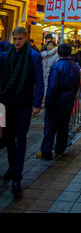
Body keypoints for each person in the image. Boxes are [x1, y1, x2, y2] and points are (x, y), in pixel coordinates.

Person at [0, 27, 44, 198]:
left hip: (24, 104)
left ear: (26, 38)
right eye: (15, 39)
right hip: (7, 103)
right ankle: (12, 168)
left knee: (21, 138)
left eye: (20, 39)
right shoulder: (7, 55)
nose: (17, 42)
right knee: (9, 138)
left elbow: (39, 81)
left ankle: (17, 177)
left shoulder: (33, 56)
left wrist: (37, 103)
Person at [37, 44, 81, 160]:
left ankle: (46, 151)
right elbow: (77, 85)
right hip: (68, 100)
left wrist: (48, 102)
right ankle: (60, 149)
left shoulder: (56, 66)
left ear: (59, 53)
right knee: (64, 125)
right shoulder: (75, 67)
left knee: (50, 126)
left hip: (56, 100)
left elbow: (52, 87)